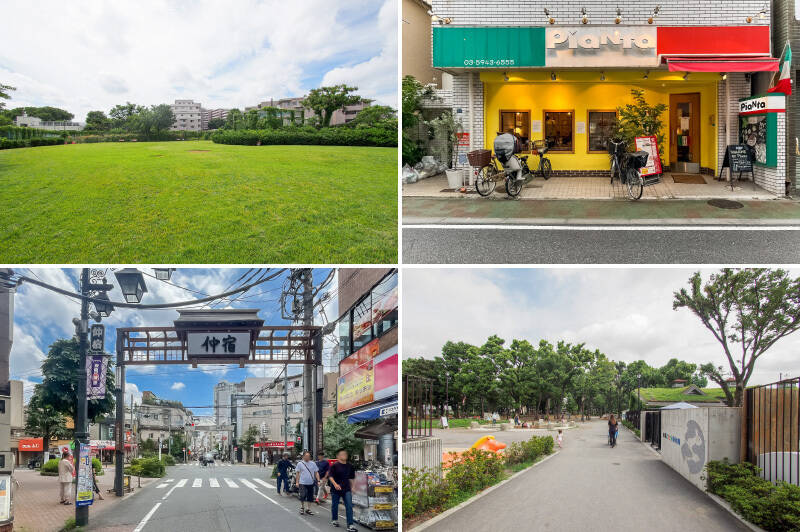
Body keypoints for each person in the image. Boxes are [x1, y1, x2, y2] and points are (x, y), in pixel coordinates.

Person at [329, 448, 356, 531]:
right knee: (335, 505)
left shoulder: (350, 466)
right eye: (342, 454)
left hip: (346, 489)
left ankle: (350, 524)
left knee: (349, 506)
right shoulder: (334, 465)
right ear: (338, 456)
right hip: (336, 489)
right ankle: (334, 520)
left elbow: (351, 478)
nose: (344, 455)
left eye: (345, 454)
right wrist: (335, 484)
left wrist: (353, 487)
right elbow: (330, 477)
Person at [294, 451, 320, 516]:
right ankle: (302, 507)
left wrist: (318, 480)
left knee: (310, 496)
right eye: (306, 456)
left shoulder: (313, 463)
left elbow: (316, 472)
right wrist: (297, 482)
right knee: (302, 495)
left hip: (311, 483)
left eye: (309, 456)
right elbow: (297, 473)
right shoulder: (300, 463)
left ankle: (308, 509)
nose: (307, 457)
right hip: (302, 482)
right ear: (303, 456)